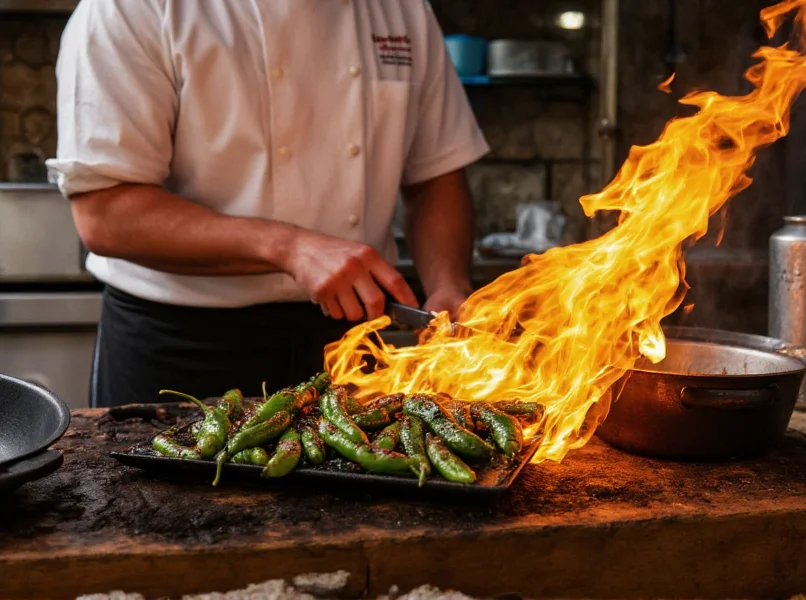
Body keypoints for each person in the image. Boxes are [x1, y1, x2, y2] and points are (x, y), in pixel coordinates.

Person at [47, 0, 489, 408]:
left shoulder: (399, 8)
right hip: (181, 345)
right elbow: (106, 215)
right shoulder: (131, 8)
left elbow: (436, 173)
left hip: (349, 343)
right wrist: (290, 248)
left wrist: (447, 282)